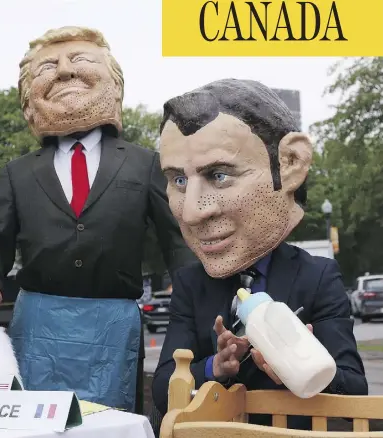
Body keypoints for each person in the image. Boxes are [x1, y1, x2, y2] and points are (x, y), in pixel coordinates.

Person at [0, 26, 195, 412]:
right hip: (37, 322)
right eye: (49, 67)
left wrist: (195, 294)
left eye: (81, 61)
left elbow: (177, 237)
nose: (66, 73)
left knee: (109, 422)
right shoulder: (17, 173)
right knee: (33, 422)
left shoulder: (144, 164)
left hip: (113, 323)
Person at [152, 79, 368, 429]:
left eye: (219, 175)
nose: (192, 212)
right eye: (178, 180)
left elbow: (354, 393)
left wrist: (304, 366)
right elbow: (164, 388)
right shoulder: (191, 284)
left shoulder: (317, 277)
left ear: (290, 164)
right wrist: (215, 367)